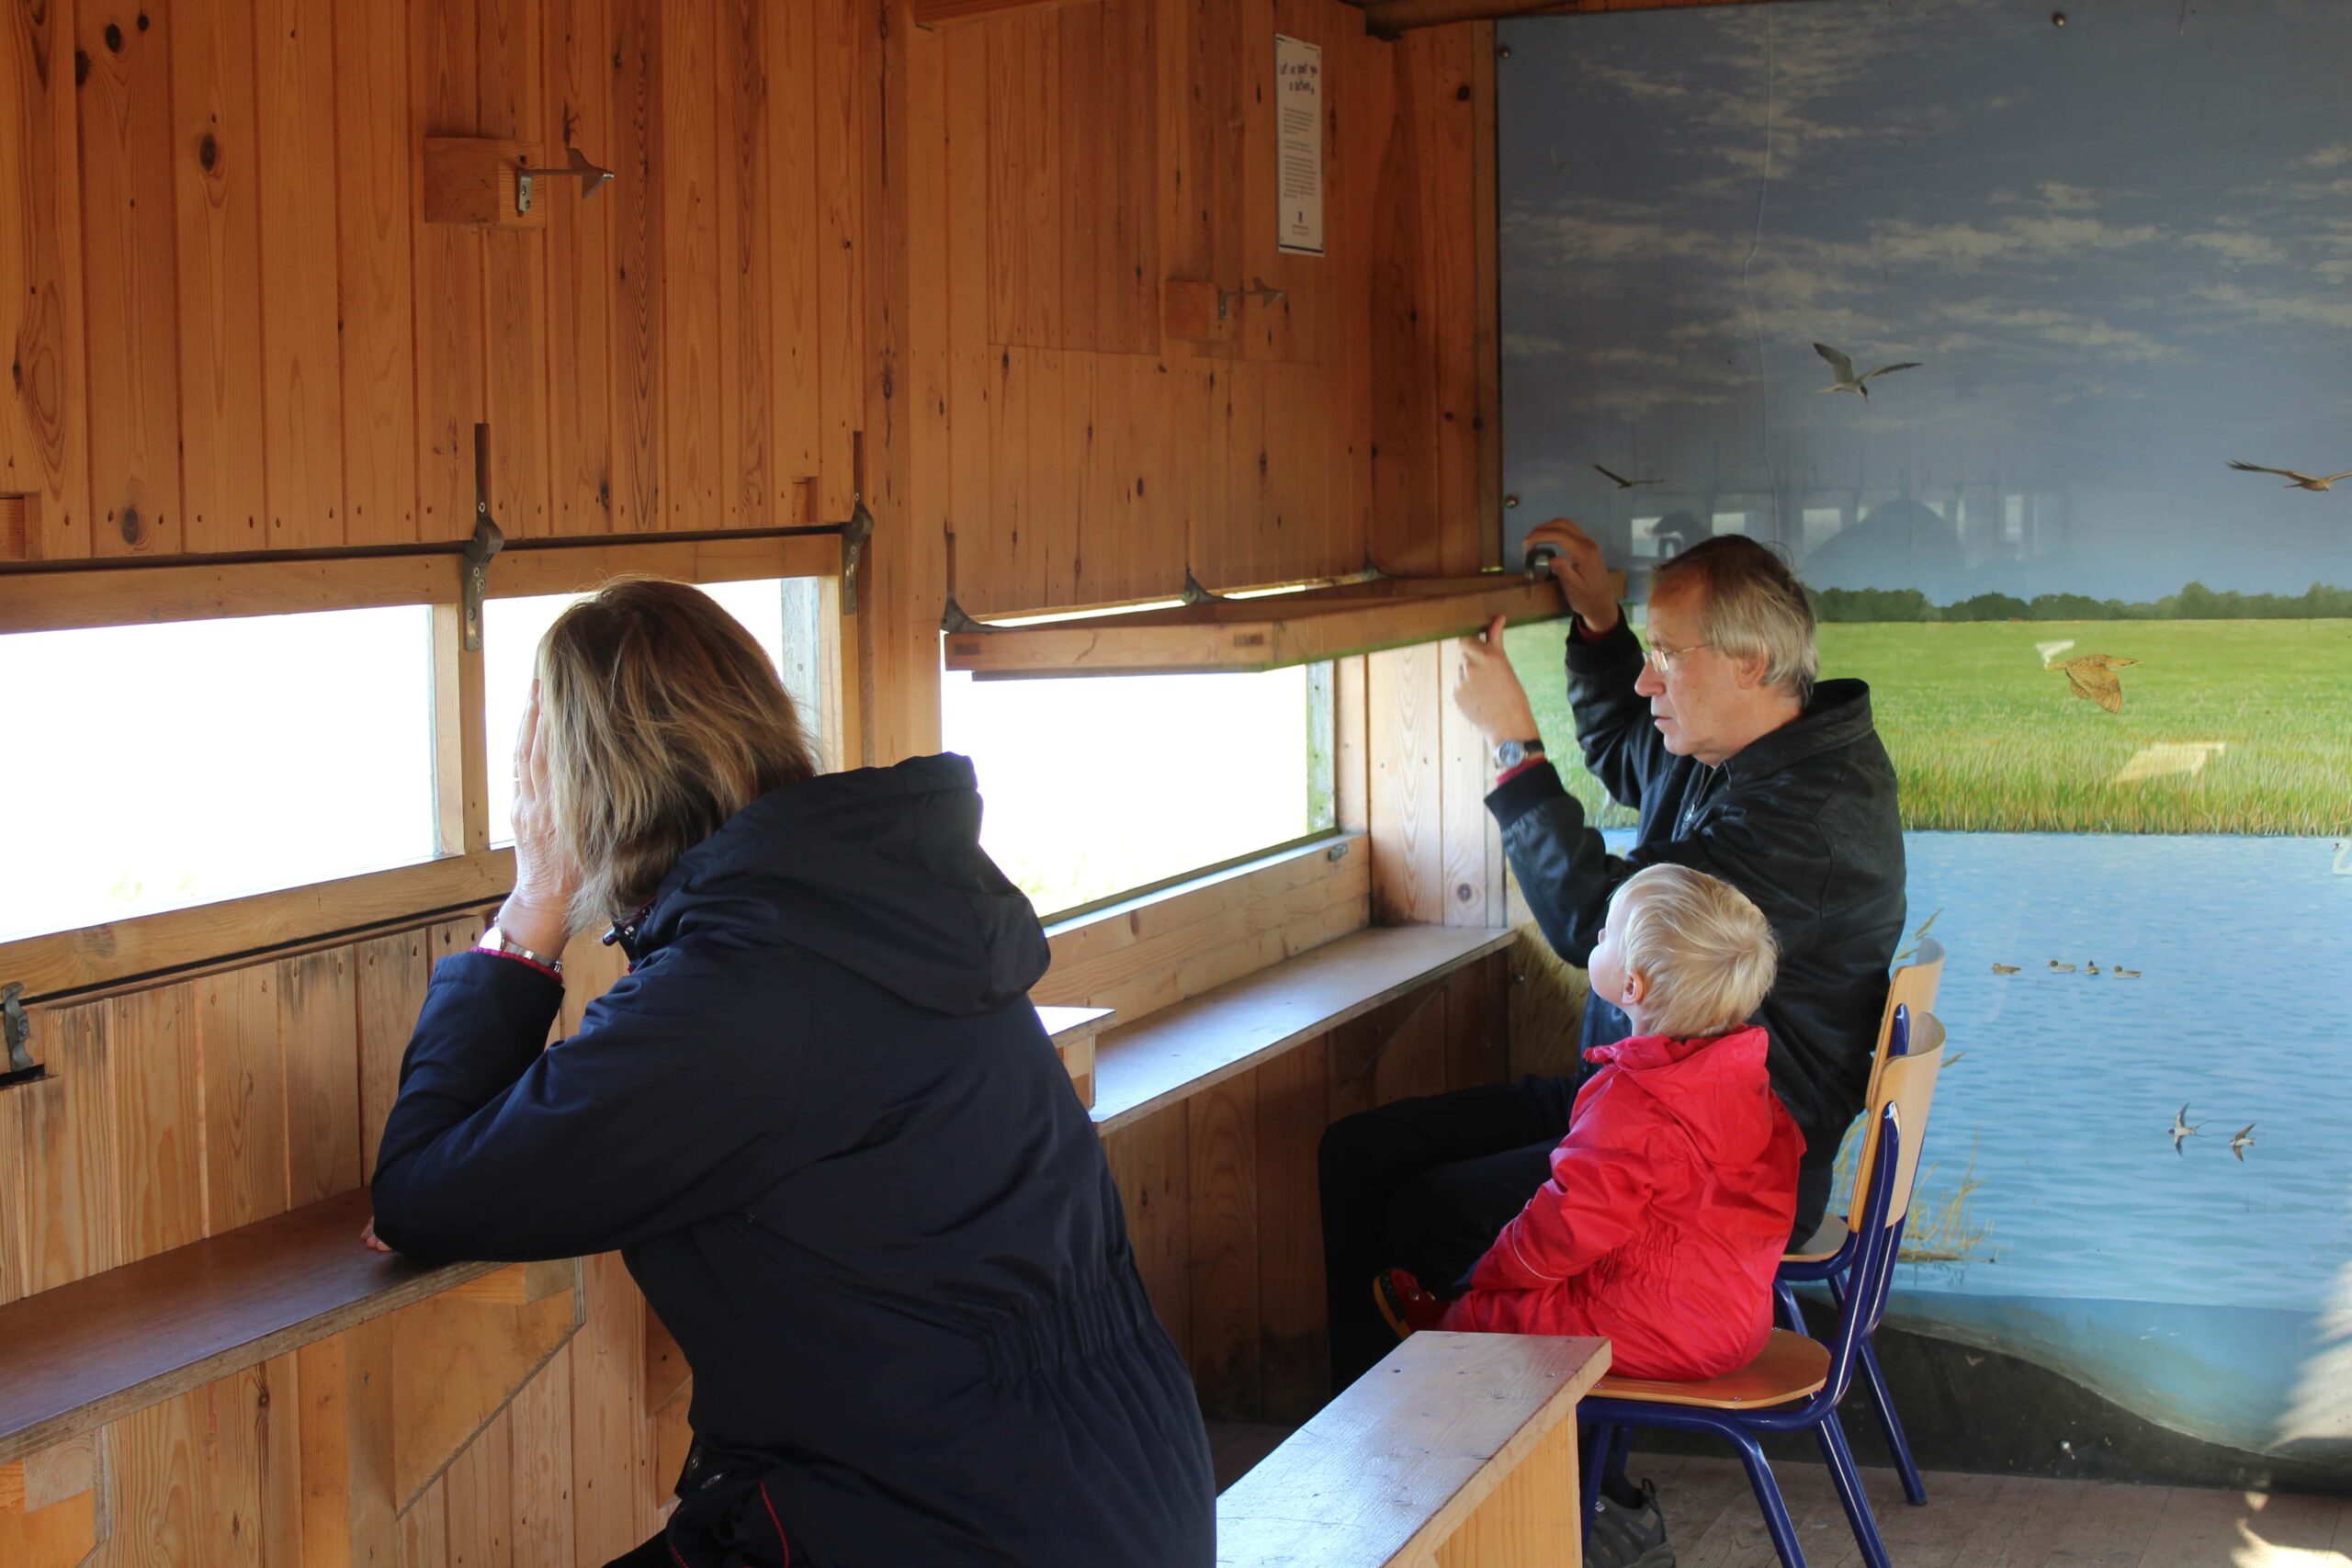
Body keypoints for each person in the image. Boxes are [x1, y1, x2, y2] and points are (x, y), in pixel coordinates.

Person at [367, 578, 1215, 1568]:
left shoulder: (733, 998)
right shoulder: (888, 908)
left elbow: (421, 1193)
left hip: (946, 1522)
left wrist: (536, 899)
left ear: (579, 788)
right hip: (1117, 1489)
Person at [1319, 524, 1905, 1565]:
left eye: (1663, 653)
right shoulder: (1758, 746)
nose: (1646, 679)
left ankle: (1519, 1494)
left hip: (1709, 1160)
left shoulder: (1804, 819)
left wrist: (1512, 751)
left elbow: (1603, 928)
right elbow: (1635, 756)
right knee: (1361, 1152)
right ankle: (1393, 1464)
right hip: (1648, 1101)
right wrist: (1595, 629)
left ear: (1749, 664)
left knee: (1428, 1213)